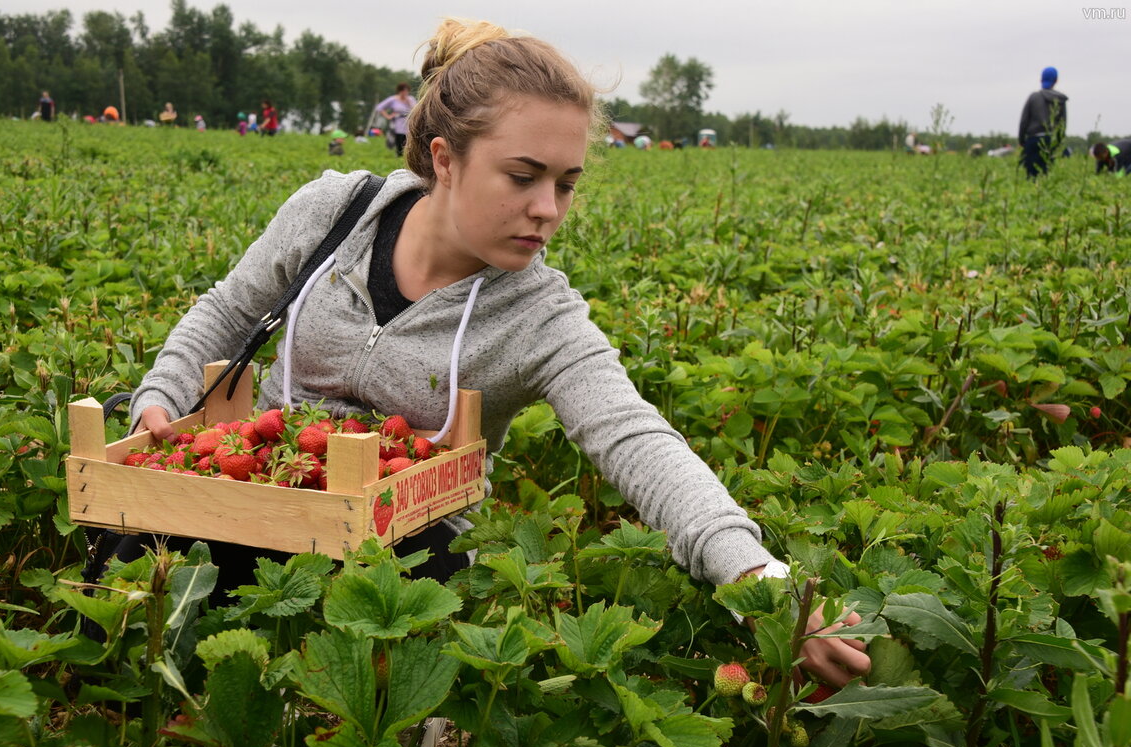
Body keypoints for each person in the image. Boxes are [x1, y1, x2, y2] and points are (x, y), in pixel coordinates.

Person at [128, 18, 869, 687]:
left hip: (412, 558)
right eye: (523, 176)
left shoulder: (540, 313)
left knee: (378, 685)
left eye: (566, 184)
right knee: (143, 580)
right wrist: (159, 398)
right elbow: (226, 311)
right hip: (258, 496)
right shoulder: (333, 213)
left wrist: (757, 575)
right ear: (445, 159)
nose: (546, 209)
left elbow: (636, 439)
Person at [1018, 66, 1068, 178]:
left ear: (1041, 79)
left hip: (1033, 141)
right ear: (1056, 80)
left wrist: (1022, 140)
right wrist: (1059, 142)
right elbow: (1063, 124)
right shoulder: (1060, 100)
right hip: (1052, 141)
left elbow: (1024, 121)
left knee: (1032, 175)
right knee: (1048, 173)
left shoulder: (1033, 97)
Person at [374, 83, 416, 155]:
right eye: (403, 91)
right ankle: (398, 154)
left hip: (408, 121)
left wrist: (408, 102)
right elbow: (379, 107)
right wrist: (388, 116)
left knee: (408, 139)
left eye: (406, 91)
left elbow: (416, 108)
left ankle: (407, 155)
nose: (404, 93)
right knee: (399, 139)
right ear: (399, 91)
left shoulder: (411, 99)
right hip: (397, 122)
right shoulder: (393, 99)